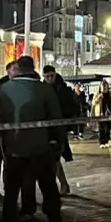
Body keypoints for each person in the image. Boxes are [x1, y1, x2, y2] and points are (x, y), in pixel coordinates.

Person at [0, 56, 76, 222]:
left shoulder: (4, 89)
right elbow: (56, 119)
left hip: (13, 150)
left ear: (18, 69)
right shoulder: (43, 89)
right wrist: (57, 143)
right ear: (33, 68)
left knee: (11, 193)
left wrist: (3, 145)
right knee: (48, 187)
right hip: (40, 148)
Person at [42, 66, 75, 195]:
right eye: (47, 76)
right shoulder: (42, 89)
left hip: (59, 129)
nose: (50, 79)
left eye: (51, 76)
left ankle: (62, 184)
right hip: (46, 128)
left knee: (54, 158)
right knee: (51, 159)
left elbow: (70, 107)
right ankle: (62, 184)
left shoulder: (63, 89)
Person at [93, 80, 111, 149]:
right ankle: (102, 142)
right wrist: (98, 98)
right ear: (100, 87)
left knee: (108, 129)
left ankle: (106, 141)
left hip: (109, 114)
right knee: (101, 129)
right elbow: (93, 103)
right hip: (100, 114)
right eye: (102, 86)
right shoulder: (98, 93)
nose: (104, 87)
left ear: (107, 86)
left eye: (105, 86)